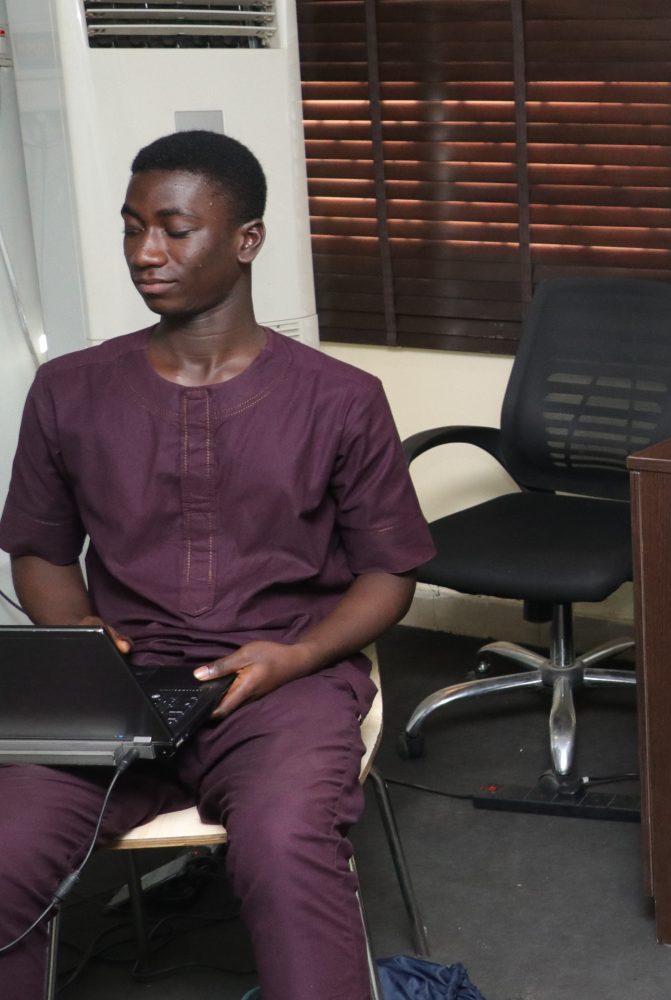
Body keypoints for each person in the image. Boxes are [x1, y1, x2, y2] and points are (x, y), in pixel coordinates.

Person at [0, 130, 434, 1000]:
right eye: (133, 228)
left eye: (174, 229)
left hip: (284, 682)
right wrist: (82, 637)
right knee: (7, 848)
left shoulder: (341, 399)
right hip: (124, 683)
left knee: (284, 844)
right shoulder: (69, 390)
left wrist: (297, 657)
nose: (144, 252)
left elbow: (390, 572)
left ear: (246, 240)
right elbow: (41, 549)